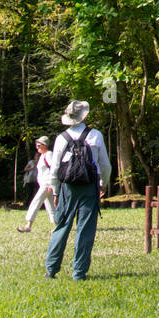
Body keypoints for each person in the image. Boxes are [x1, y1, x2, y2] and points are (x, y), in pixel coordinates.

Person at [45, 100, 111, 282]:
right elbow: (105, 165)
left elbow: (56, 168)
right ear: (84, 116)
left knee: (62, 227)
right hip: (89, 187)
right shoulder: (95, 136)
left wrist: (56, 192)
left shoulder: (61, 138)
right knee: (85, 229)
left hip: (68, 188)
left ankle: (51, 269)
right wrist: (103, 183)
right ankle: (79, 272)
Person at [17, 137, 55, 232]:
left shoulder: (49, 154)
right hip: (43, 184)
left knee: (36, 202)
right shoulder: (42, 156)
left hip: (47, 184)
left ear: (45, 145)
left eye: (39, 145)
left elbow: (54, 169)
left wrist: (51, 185)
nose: (37, 147)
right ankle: (58, 225)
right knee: (50, 205)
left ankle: (28, 225)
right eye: (36, 145)